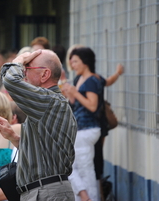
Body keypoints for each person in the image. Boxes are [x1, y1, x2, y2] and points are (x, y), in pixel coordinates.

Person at [0, 49, 77, 201]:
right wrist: (13, 137)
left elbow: (10, 81)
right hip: (45, 191)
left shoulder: (48, 101)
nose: (24, 74)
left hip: (46, 192)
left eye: (27, 69)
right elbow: (45, 154)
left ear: (45, 74)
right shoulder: (52, 102)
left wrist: (20, 58)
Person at [62, 47, 105, 201]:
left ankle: (90, 197)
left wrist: (75, 94)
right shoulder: (78, 79)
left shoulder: (92, 80)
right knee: (76, 168)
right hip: (78, 129)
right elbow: (76, 105)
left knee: (84, 169)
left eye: (75, 61)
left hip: (87, 129)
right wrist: (69, 95)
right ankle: (83, 196)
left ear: (85, 62)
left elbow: (92, 106)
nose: (72, 65)